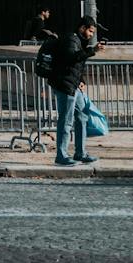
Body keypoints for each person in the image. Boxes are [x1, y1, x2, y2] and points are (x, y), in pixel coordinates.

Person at [49, 15, 102, 166]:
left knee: (82, 116)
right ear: (82, 28)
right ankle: (61, 155)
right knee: (66, 120)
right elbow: (71, 58)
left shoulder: (78, 41)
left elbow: (76, 65)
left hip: (73, 84)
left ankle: (80, 152)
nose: (91, 35)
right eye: (90, 31)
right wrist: (92, 50)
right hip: (65, 85)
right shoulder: (72, 40)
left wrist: (81, 80)